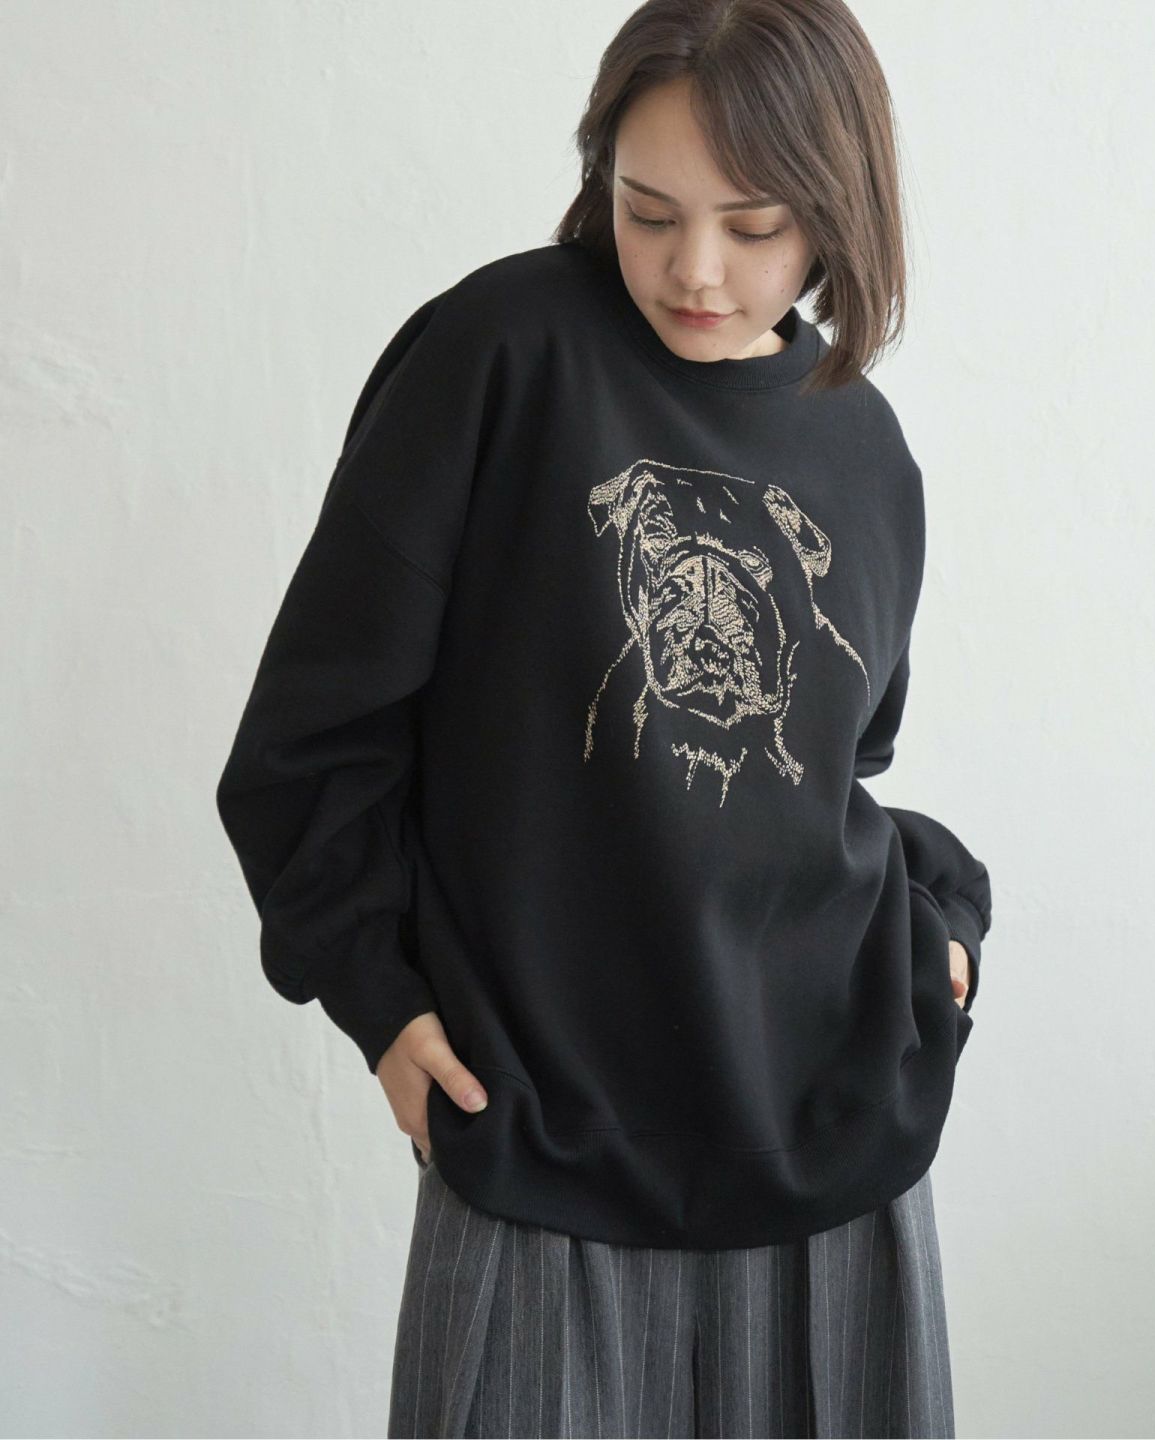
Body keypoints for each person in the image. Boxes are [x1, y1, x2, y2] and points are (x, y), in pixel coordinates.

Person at [215, 1, 993, 1434]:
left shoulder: (862, 446)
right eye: (649, 211)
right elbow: (310, 737)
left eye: (754, 226)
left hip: (836, 1152)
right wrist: (378, 999)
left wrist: (938, 930)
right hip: (540, 1147)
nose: (695, 269)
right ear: (600, 183)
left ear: (839, 214)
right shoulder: (501, 355)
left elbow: (840, 772)